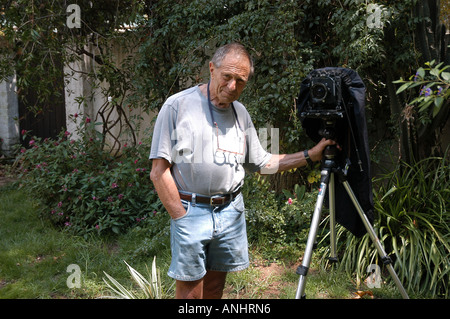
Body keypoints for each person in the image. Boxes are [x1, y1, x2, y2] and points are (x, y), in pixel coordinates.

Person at [149, 43, 335, 299]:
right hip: (191, 212)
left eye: (241, 81)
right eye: (227, 77)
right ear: (212, 69)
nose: (233, 86)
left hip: (229, 212)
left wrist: (309, 155)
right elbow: (159, 172)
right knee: (191, 294)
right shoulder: (177, 106)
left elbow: (262, 163)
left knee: (215, 288)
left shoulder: (241, 113)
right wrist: (181, 217)